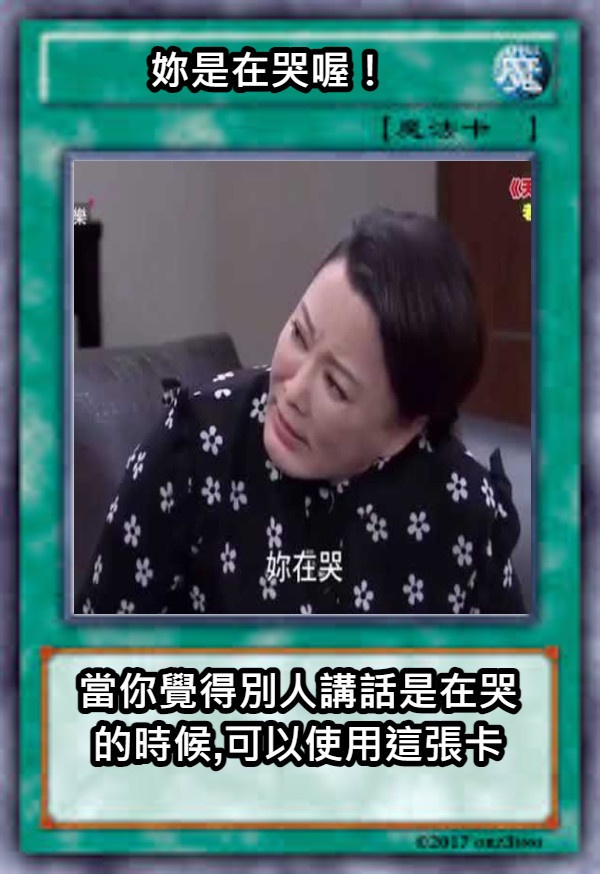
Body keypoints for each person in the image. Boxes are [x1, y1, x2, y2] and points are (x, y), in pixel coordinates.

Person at [76, 208, 526, 616]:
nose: (292, 391)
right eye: (299, 334)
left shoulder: (461, 510)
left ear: (405, 429)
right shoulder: (192, 451)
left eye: (335, 385)